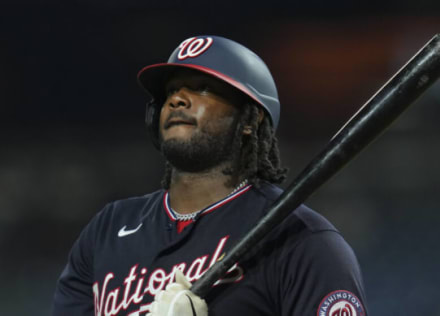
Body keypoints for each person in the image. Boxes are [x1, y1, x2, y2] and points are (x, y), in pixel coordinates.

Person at [52, 35, 368, 316]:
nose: (177, 99)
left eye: (203, 88)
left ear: (250, 119)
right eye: (172, 90)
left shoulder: (301, 240)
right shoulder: (107, 230)